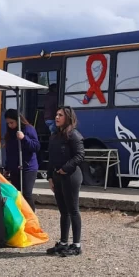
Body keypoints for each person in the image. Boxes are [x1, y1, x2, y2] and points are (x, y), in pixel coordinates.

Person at [46, 106, 85, 257]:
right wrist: (50, 176)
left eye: (60, 115)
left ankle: (76, 244)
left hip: (71, 176)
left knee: (73, 210)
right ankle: (63, 242)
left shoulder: (74, 135)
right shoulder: (54, 135)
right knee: (63, 211)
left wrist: (65, 168)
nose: (56, 117)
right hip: (57, 176)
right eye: (56, 114)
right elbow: (51, 157)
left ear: (67, 118)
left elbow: (80, 155)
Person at [3, 108, 41, 210]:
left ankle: (32, 217)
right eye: (8, 123)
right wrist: (7, 167)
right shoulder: (9, 133)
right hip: (14, 168)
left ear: (18, 120)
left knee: (26, 193)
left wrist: (24, 138)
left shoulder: (29, 129)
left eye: (12, 122)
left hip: (28, 167)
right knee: (17, 194)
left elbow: (36, 146)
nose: (10, 125)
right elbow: (9, 152)